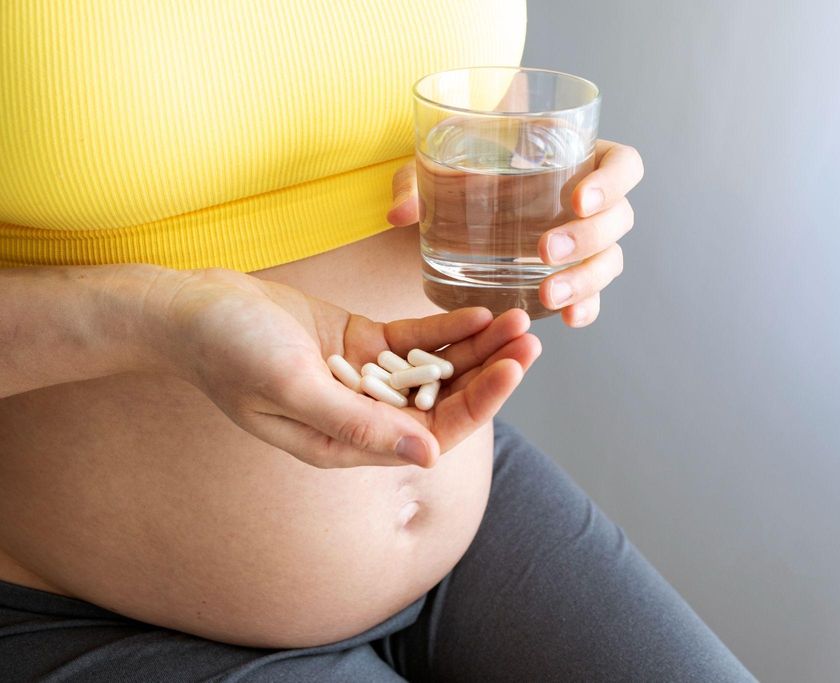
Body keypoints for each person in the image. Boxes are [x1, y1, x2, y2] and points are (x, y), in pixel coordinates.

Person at [0, 1, 755, 680]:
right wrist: (153, 313)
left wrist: (533, 198)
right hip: (95, 599)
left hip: (469, 502)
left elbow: (471, 98)